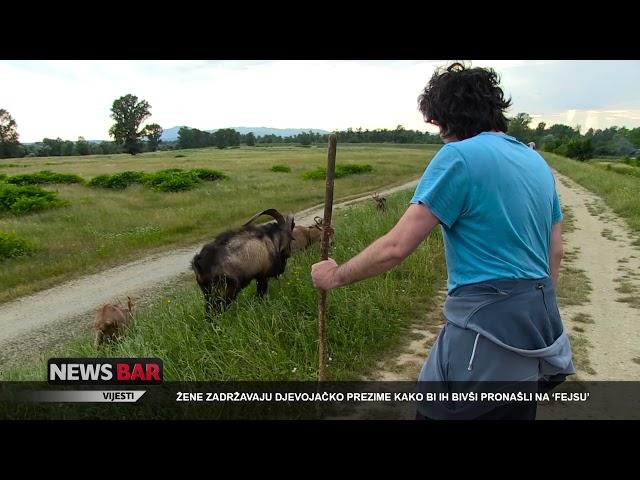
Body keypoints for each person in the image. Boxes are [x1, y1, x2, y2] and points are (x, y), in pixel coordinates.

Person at [311, 62, 575, 420]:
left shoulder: (458, 157)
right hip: (537, 323)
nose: (439, 133)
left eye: (437, 123)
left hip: (485, 327)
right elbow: (555, 251)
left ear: (449, 118)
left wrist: (335, 275)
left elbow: (395, 247)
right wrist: (526, 308)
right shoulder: (536, 162)